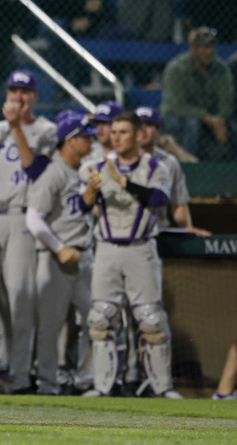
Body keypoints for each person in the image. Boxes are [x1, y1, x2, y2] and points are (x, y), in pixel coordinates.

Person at [0, 69, 57, 394]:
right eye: (14, 90)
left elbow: (35, 169)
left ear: (34, 96)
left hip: (21, 218)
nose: (18, 96)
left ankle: (18, 377)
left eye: (24, 91)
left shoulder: (46, 130)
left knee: (21, 298)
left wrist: (16, 128)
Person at [79, 111, 181, 399]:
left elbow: (159, 199)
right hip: (107, 248)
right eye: (114, 133)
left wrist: (122, 182)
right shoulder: (96, 167)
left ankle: (163, 388)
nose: (117, 138)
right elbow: (81, 206)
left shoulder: (155, 167)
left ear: (138, 135)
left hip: (141, 248)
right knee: (100, 318)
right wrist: (90, 190)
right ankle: (103, 387)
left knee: (151, 320)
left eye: (123, 132)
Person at [26, 112, 97, 395]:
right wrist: (59, 247)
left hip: (85, 255)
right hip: (57, 258)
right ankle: (47, 383)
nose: (90, 139)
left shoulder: (84, 171)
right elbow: (33, 218)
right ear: (70, 140)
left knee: (95, 320)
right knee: (50, 326)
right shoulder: (53, 172)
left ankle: (86, 379)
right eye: (85, 135)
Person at [135, 106, 211, 237]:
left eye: (148, 125)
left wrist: (187, 227)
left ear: (158, 131)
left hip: (156, 230)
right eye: (138, 125)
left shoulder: (169, 162)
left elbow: (178, 203)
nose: (142, 130)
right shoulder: (117, 160)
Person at [160, 27, 234, 160]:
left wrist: (220, 120)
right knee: (191, 124)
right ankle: (188, 167)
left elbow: (226, 102)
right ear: (193, 48)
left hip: (210, 120)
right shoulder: (176, 69)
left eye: (212, 46)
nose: (210, 51)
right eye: (204, 47)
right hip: (178, 118)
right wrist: (206, 117)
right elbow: (176, 106)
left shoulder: (221, 70)